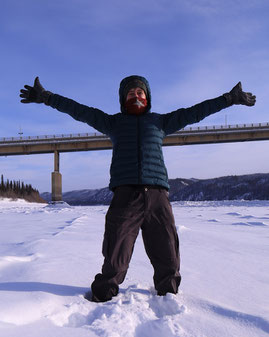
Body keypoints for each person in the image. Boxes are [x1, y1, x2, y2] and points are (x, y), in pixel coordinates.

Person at [20, 75, 256, 302]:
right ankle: (103, 296)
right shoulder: (113, 123)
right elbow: (79, 110)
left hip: (158, 196)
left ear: (147, 97)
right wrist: (47, 97)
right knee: (115, 253)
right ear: (123, 99)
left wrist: (228, 99)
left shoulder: (160, 122)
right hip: (126, 196)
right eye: (131, 93)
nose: (136, 95)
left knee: (167, 252)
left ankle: (169, 296)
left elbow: (195, 112)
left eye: (140, 92)